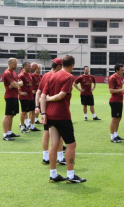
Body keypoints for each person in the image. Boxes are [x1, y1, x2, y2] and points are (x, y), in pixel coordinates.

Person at [41, 55, 86, 183]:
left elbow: (43, 95)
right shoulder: (69, 77)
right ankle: (71, 176)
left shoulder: (51, 76)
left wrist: (43, 112)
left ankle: (53, 175)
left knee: (54, 144)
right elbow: (61, 95)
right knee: (71, 144)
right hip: (61, 115)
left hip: (50, 114)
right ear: (72, 65)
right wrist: (50, 99)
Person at [35, 58, 65, 165]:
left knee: (46, 132)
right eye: (62, 65)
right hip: (55, 108)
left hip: (45, 109)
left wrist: (37, 106)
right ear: (58, 66)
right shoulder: (59, 76)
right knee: (59, 133)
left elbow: (39, 92)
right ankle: (60, 157)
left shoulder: (46, 75)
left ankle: (45, 157)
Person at [2, 58, 23, 141]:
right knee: (7, 115)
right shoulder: (7, 73)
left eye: (16, 63)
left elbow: (20, 83)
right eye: (15, 64)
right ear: (10, 64)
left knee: (12, 115)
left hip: (14, 96)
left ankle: (9, 132)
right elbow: (16, 85)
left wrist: (17, 84)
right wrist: (17, 84)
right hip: (9, 96)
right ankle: (5, 134)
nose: (16, 65)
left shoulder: (14, 73)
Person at [108, 63, 124, 143]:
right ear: (117, 70)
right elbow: (111, 90)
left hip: (119, 100)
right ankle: (112, 137)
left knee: (119, 118)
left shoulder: (120, 78)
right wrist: (123, 90)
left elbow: (118, 89)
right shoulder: (112, 78)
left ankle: (116, 135)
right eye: (121, 70)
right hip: (114, 101)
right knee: (114, 119)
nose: (123, 71)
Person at [18, 62, 40, 132]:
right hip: (24, 97)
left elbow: (30, 85)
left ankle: (32, 126)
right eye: (28, 66)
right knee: (24, 112)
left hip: (31, 96)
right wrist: (20, 92)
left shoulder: (30, 75)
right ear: (24, 67)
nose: (30, 67)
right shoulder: (21, 75)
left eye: (30, 66)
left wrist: (32, 91)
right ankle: (22, 127)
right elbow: (17, 85)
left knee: (33, 111)